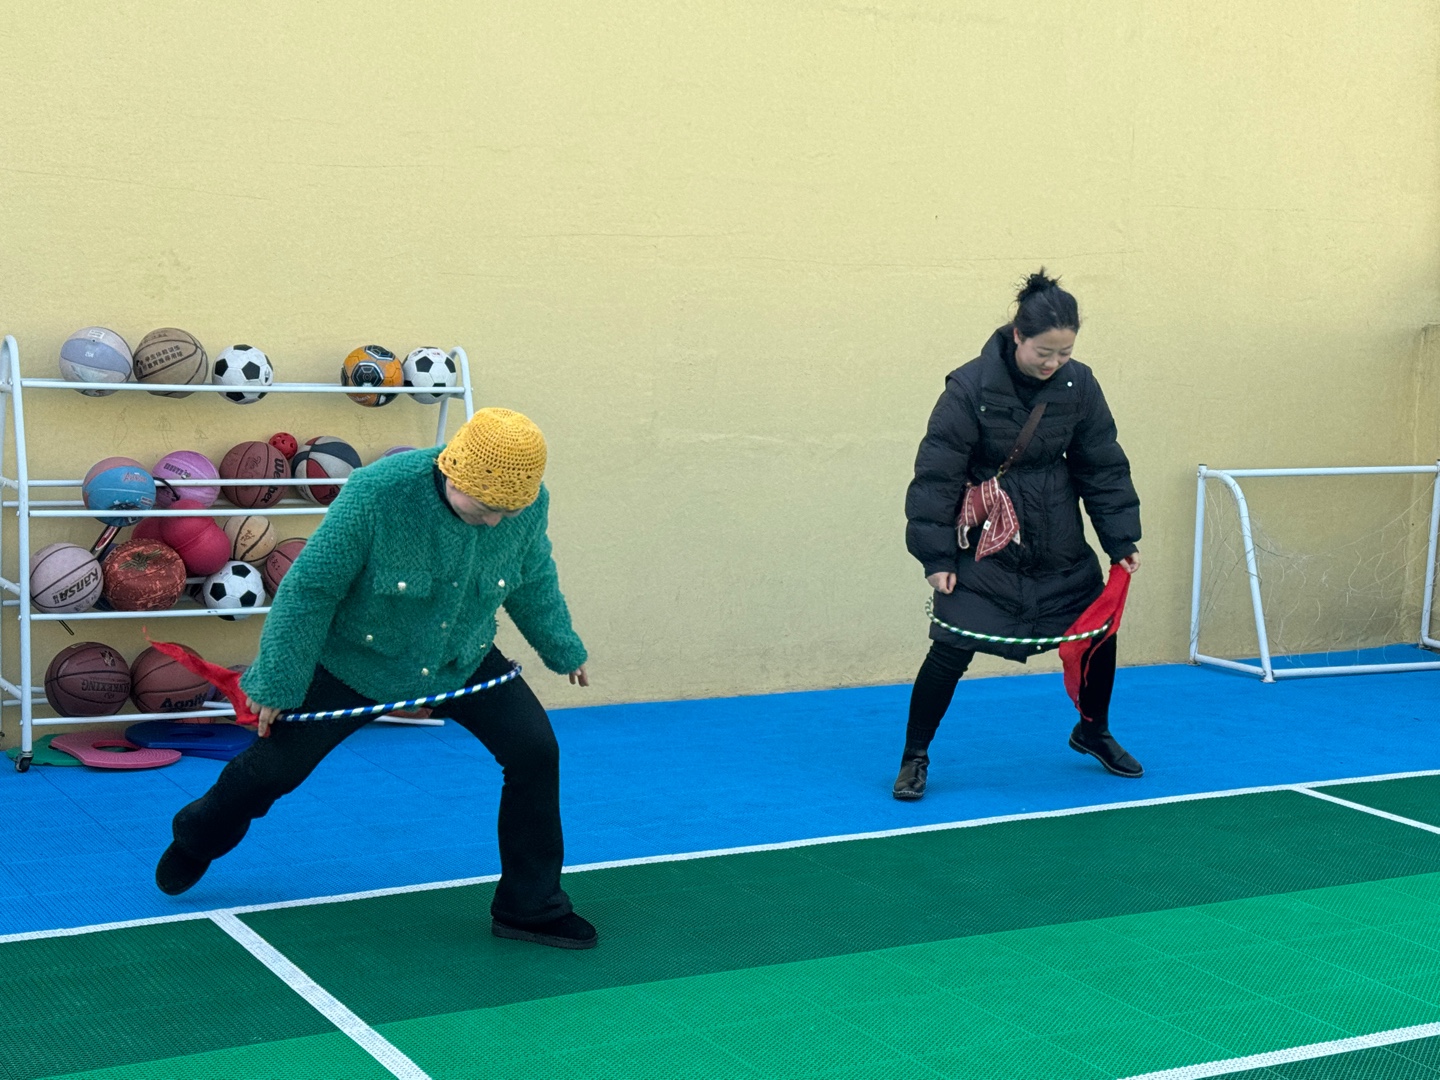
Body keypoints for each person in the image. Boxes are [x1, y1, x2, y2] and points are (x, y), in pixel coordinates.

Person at [155, 408, 598, 950]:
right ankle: (197, 836)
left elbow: (533, 577)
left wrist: (562, 647)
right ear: (453, 471)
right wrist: (276, 683)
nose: (494, 522)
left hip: (461, 660)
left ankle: (530, 907)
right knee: (271, 772)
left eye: (509, 511)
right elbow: (310, 590)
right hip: (357, 663)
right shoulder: (377, 493)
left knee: (535, 753)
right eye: (484, 508)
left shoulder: (525, 506)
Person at [898, 271, 1142, 799]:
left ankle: (1093, 730)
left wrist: (1120, 540)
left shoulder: (1080, 385)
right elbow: (937, 475)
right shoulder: (969, 388)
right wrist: (936, 558)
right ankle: (914, 756)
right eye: (1043, 352)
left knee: (1096, 634)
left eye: (1065, 352)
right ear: (1017, 336)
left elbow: (1101, 465)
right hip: (988, 543)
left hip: (1058, 539)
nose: (1054, 363)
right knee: (950, 647)